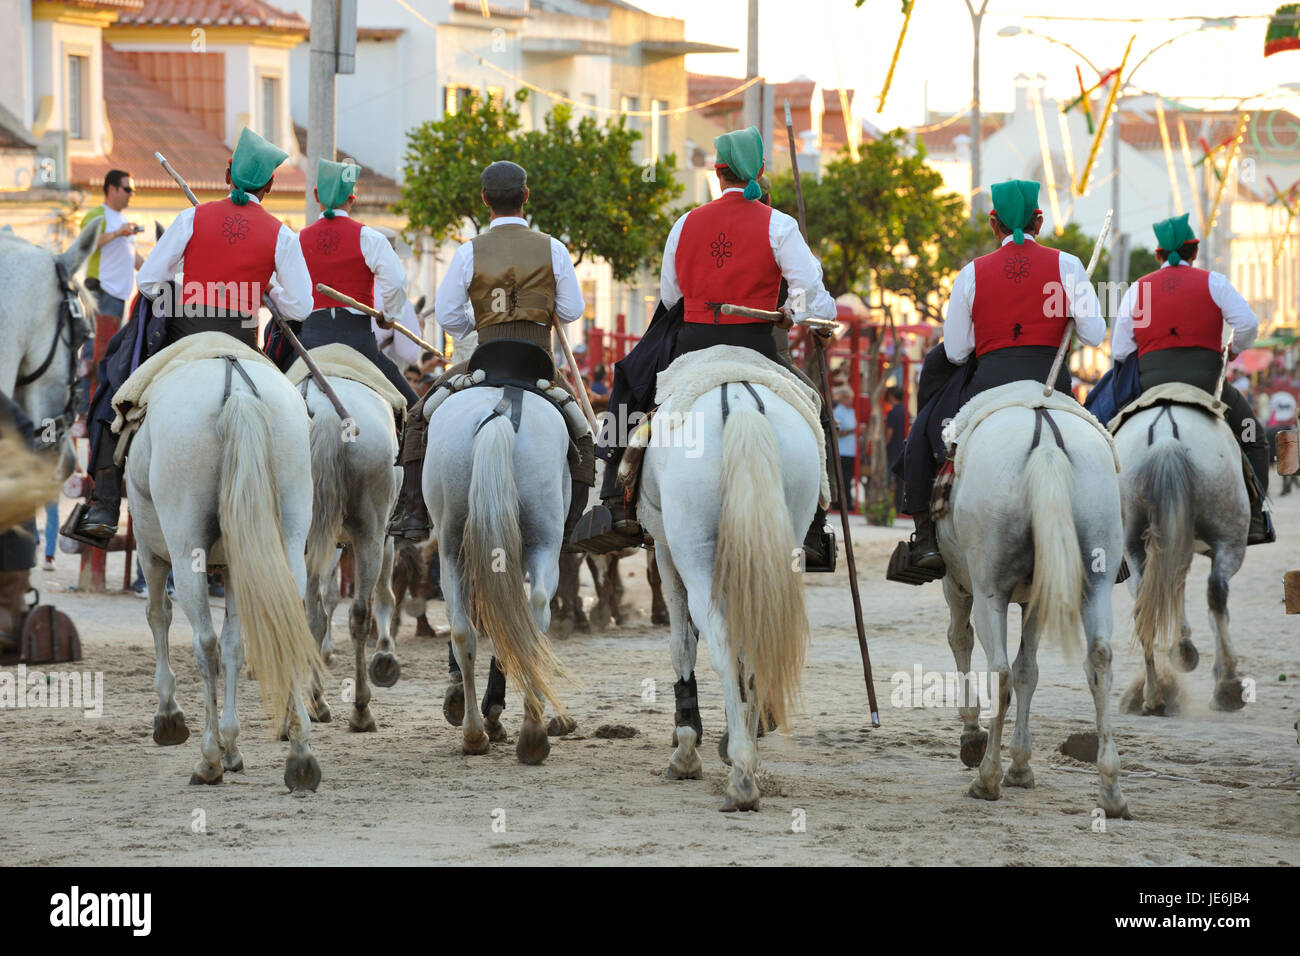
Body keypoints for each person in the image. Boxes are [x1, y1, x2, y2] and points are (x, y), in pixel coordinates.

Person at [572, 126, 839, 565]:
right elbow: (809, 297)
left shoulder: (685, 223)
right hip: (758, 350)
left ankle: (614, 499)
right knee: (815, 411)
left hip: (693, 348)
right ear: (760, 170)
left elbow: (671, 296)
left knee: (630, 390)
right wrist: (796, 312)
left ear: (718, 173)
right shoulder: (781, 225)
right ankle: (812, 521)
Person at [67, 127, 313, 548]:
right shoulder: (281, 234)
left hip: (185, 341)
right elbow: (302, 308)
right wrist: (268, 291)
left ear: (226, 175)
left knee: (114, 397)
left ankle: (105, 508)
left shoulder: (190, 219)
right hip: (241, 343)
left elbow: (147, 283)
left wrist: (185, 283)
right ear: (270, 185)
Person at [894, 179, 1106, 575]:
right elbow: (1095, 335)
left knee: (924, 430)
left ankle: (924, 537)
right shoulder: (1069, 265)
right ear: (1039, 221)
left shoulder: (971, 273)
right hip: (1051, 388)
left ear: (994, 224)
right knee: (1102, 449)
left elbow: (956, 351)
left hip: (987, 389)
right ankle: (1103, 543)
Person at [388, 159, 591, 539]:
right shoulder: (555, 249)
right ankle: (573, 525)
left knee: (418, 418)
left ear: (485, 200)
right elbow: (572, 311)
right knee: (581, 433)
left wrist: (475, 324)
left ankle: (414, 512)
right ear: (526, 197)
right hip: (540, 365)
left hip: (484, 359)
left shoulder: (469, 252)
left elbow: (448, 314)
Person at [1110, 212, 1273, 544]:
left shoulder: (1138, 290)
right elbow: (1248, 324)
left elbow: (1119, 350)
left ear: (1158, 255)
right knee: (1253, 435)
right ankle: (1256, 517)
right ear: (1194, 251)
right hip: (1207, 386)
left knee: (1106, 442)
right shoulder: (1215, 282)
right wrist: (1233, 348)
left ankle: (1110, 523)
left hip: (1150, 388)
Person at [283, 158, 417, 406]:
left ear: (316, 195)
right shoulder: (370, 238)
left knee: (274, 402)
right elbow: (396, 282)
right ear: (352, 198)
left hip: (311, 342)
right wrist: (389, 315)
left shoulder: (296, 240)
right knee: (415, 409)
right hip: (359, 344)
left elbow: (284, 290)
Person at [832, 386, 858, 511]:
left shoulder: (853, 411)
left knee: (849, 478)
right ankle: (844, 504)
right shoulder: (838, 412)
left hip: (852, 451)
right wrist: (853, 431)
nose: (850, 400)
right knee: (843, 479)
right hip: (842, 451)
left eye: (851, 398)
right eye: (847, 398)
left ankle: (847, 502)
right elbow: (836, 431)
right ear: (841, 398)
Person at [884, 384, 907, 514]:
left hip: (892, 449)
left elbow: (889, 433)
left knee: (888, 479)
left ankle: (888, 507)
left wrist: (884, 446)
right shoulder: (905, 411)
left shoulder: (892, 412)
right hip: (902, 448)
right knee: (900, 482)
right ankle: (899, 508)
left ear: (892, 396)